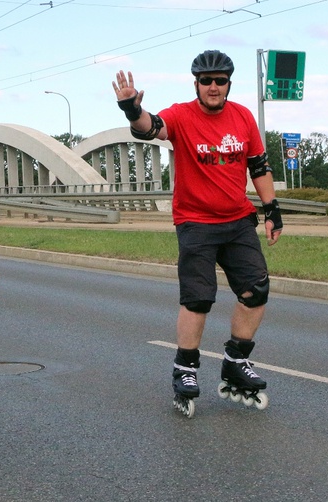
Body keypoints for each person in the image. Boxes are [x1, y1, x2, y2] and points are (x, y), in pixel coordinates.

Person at [112, 50, 283, 417]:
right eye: (206, 81)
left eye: (220, 80)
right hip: (195, 221)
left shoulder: (243, 116)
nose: (213, 86)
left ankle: (235, 360)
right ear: (196, 84)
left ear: (228, 84)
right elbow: (150, 127)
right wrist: (131, 110)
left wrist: (272, 210)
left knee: (257, 290)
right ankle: (185, 368)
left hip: (237, 220)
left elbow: (258, 165)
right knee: (198, 298)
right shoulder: (182, 114)